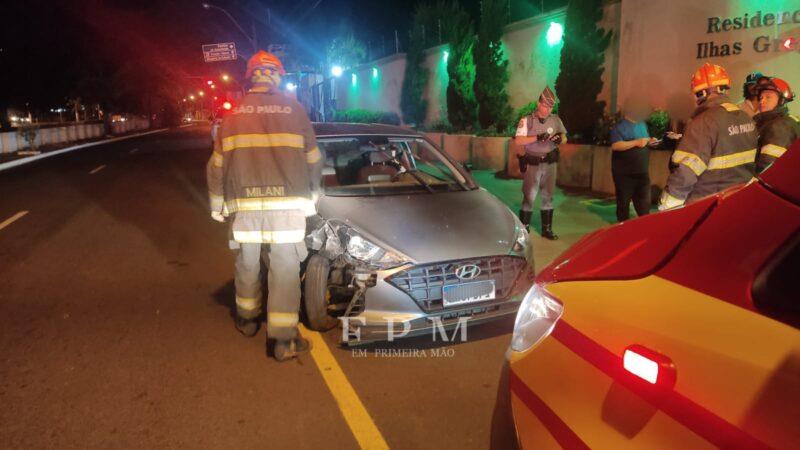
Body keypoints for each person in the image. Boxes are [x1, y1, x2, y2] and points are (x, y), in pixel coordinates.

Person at [206, 50, 323, 362]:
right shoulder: (295, 110)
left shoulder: (233, 115)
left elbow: (216, 166)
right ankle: (284, 340)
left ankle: (247, 319)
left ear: (251, 76)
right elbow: (314, 160)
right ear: (277, 75)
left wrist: (217, 205)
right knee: (285, 269)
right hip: (287, 208)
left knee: (247, 263)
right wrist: (313, 198)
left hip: (245, 208)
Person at [659, 63, 758, 210]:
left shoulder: (703, 122)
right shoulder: (746, 118)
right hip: (738, 200)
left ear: (701, 93)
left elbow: (686, 171)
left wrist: (667, 206)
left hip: (707, 204)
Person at [514, 86, 567, 240]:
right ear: (538, 104)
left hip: (550, 163)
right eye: (545, 105)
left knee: (548, 196)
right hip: (533, 164)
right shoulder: (527, 120)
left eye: (550, 106)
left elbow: (564, 137)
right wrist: (537, 138)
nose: (547, 109)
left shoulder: (555, 120)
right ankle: (524, 228)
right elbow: (518, 140)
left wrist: (560, 139)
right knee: (529, 195)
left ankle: (547, 229)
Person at [609, 99, 658, 222]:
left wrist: (651, 141)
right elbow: (616, 145)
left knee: (644, 206)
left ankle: (643, 230)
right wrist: (636, 142)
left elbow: (644, 140)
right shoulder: (619, 127)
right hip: (624, 174)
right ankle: (622, 230)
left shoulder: (642, 124)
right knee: (623, 205)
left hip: (642, 172)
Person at [753, 77, 800, 173]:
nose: (762, 101)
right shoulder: (771, 122)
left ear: (781, 101)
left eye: (768, 97)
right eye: (761, 97)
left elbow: (767, 169)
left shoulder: (779, 127)